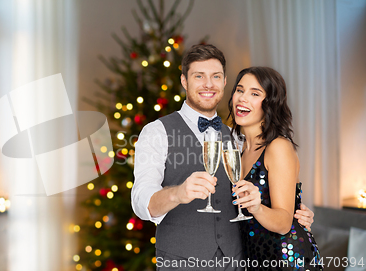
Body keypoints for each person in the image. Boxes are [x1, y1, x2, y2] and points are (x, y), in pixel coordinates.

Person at [131, 44, 315, 271]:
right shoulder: (156, 132)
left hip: (238, 263)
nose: (208, 84)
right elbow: (141, 201)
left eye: (215, 76)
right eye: (199, 76)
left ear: (224, 82)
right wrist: (178, 193)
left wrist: (295, 212)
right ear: (184, 81)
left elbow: (268, 188)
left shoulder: (237, 138)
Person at [229, 67, 322, 270]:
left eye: (255, 93)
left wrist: (256, 207)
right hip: (254, 259)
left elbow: (283, 222)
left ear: (270, 103)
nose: (242, 98)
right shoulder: (239, 149)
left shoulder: (278, 147)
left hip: (287, 258)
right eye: (239, 90)